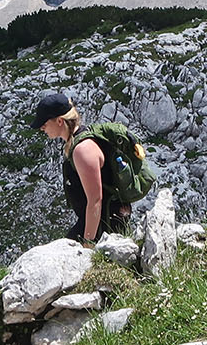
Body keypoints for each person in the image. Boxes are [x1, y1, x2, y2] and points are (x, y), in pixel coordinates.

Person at [32, 91, 133, 245]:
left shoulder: (82, 150)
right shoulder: (78, 141)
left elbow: (95, 200)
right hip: (101, 221)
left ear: (59, 121)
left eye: (44, 124)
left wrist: (88, 243)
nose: (42, 129)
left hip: (105, 226)